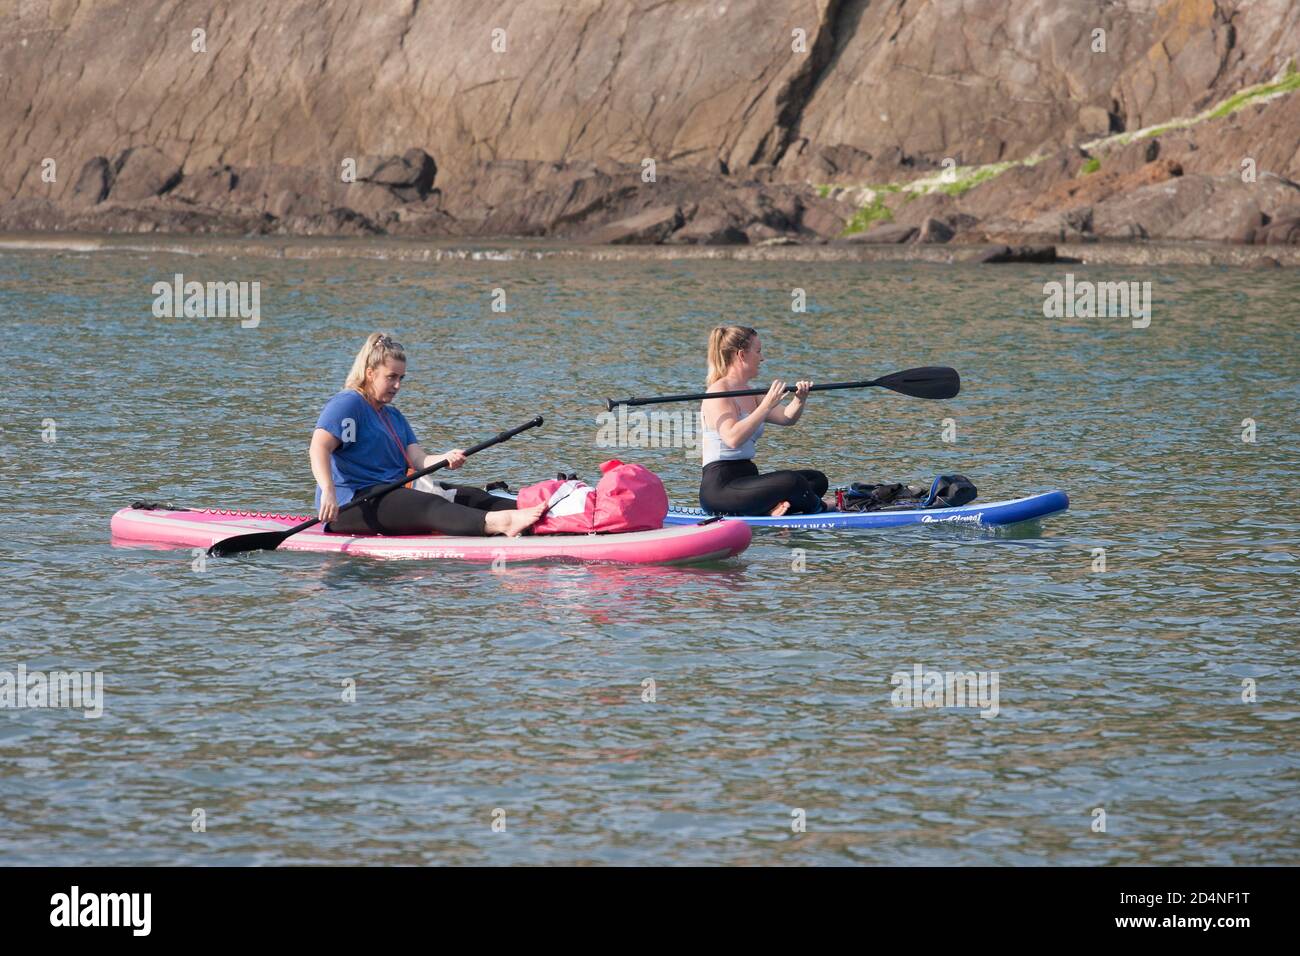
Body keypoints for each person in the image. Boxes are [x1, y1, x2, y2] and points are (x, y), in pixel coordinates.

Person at [310, 332, 545, 536]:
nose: (397, 385)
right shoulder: (349, 403)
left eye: (401, 378)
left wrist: (446, 457)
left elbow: (418, 460)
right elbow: (319, 447)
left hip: (392, 494)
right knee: (431, 503)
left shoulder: (394, 417)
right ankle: (502, 523)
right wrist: (328, 492)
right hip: (349, 505)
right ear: (370, 373)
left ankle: (549, 517)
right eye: (391, 377)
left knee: (469, 495)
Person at [699, 326, 830, 516]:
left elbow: (786, 418)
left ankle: (771, 509)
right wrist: (765, 406)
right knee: (793, 482)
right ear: (741, 354)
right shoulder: (718, 393)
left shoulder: (750, 391)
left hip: (747, 479)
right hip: (721, 488)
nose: (762, 358)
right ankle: (826, 506)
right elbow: (732, 438)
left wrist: (800, 399)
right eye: (758, 351)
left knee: (817, 480)